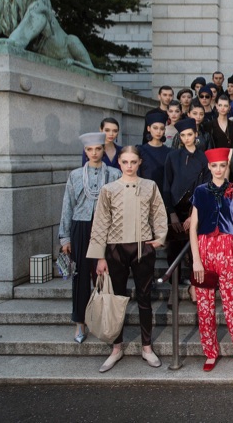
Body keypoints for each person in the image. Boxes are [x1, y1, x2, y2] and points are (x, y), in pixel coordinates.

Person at [87, 146, 168, 372]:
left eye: (133, 161)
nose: (129, 166)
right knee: (116, 298)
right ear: (119, 163)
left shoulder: (149, 186)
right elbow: (101, 222)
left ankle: (147, 347)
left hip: (142, 248)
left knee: (144, 298)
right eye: (125, 162)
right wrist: (99, 256)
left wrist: (159, 238)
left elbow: (159, 212)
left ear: (140, 162)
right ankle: (116, 347)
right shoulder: (109, 189)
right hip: (115, 249)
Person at [189, 148, 233, 371]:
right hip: (204, 249)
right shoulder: (200, 191)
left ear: (227, 166)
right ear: (209, 167)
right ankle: (210, 352)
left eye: (222, 165)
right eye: (215, 166)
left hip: (228, 249)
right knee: (204, 305)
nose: (219, 169)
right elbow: (192, 227)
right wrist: (196, 261)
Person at [59, 132, 122, 344]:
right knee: (80, 275)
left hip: (106, 227)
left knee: (104, 275)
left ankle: (105, 321)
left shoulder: (113, 174)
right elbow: (67, 206)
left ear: (103, 150)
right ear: (85, 152)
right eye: (89, 150)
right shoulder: (76, 175)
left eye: (97, 149)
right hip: (81, 226)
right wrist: (65, 237)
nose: (94, 153)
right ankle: (80, 322)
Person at [163, 118, 209, 302]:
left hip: (195, 209)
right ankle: (173, 291)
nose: (187, 138)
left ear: (196, 135)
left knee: (194, 252)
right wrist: (172, 213)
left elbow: (205, 187)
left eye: (190, 134)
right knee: (174, 251)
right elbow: (166, 185)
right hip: (175, 208)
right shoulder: (173, 157)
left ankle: (193, 287)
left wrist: (193, 215)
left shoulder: (204, 157)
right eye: (183, 135)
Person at [137, 111, 172, 195]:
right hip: (144, 193)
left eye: (161, 128)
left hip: (164, 195)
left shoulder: (170, 152)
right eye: (155, 128)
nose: (158, 131)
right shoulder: (140, 150)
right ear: (148, 128)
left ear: (164, 130)